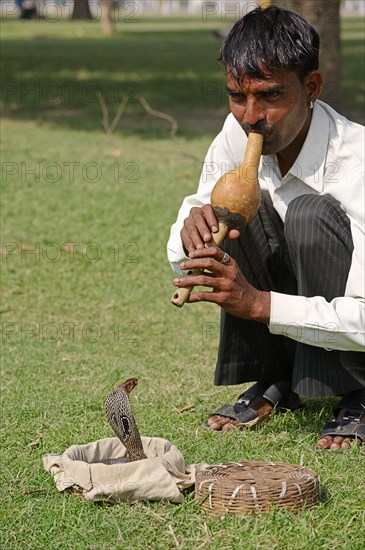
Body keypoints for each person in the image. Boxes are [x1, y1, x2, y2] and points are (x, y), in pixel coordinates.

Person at [167, 6, 365, 449]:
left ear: (311, 86)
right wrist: (191, 230)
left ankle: (359, 390)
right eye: (238, 95)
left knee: (310, 214)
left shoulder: (358, 165)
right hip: (292, 311)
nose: (251, 115)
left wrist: (260, 305)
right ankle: (277, 379)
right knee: (233, 212)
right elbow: (187, 236)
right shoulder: (237, 132)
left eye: (271, 95)